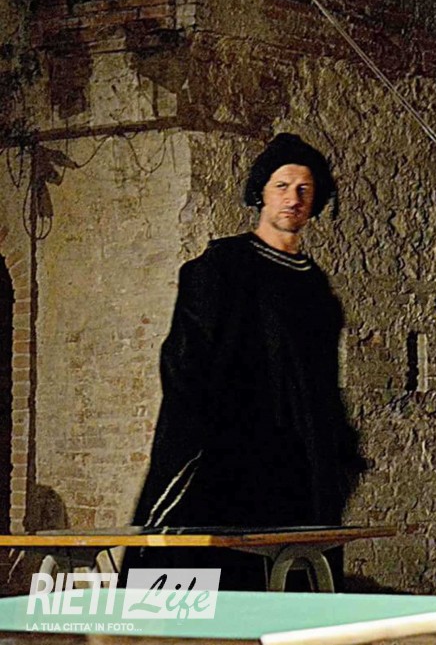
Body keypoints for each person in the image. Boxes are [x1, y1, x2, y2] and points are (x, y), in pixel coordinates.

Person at [127, 133, 366, 588]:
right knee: (200, 582)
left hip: (295, 462)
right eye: (282, 186)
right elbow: (185, 359)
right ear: (261, 192)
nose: (293, 198)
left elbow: (320, 381)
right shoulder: (223, 267)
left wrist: (336, 450)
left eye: (304, 189)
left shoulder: (315, 288)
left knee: (286, 583)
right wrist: (208, 433)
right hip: (226, 454)